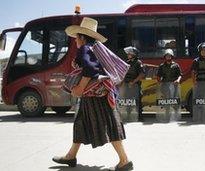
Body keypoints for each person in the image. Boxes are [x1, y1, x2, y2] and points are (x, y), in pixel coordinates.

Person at [52, 17, 133, 171]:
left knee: (110, 125)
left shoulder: (86, 48)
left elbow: (90, 69)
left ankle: (124, 160)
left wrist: (80, 88)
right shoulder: (96, 48)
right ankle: (71, 156)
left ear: (82, 37)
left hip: (95, 95)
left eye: (76, 37)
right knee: (81, 123)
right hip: (97, 94)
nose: (75, 41)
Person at [122, 46, 145, 120]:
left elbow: (141, 74)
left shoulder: (138, 62)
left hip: (135, 85)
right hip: (126, 85)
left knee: (137, 100)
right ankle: (129, 116)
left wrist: (133, 82)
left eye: (129, 53)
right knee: (127, 101)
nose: (128, 54)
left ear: (134, 54)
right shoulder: (127, 62)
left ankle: (140, 117)